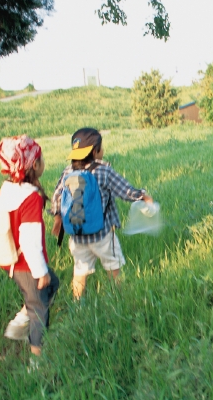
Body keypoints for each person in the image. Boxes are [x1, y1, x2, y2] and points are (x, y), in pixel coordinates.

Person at [51, 127, 153, 299]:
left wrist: (57, 218)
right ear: (95, 151)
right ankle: (118, 298)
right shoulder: (103, 171)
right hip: (103, 234)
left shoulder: (68, 172)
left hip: (77, 235)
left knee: (80, 270)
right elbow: (125, 191)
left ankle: (77, 303)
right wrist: (143, 196)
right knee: (113, 266)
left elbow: (57, 197)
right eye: (101, 147)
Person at [0, 135, 60, 356]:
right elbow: (29, 239)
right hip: (26, 263)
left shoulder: (8, 190)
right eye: (41, 159)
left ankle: (22, 317)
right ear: (34, 164)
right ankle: (37, 360)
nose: (43, 163)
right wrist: (40, 271)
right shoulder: (30, 198)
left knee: (54, 283)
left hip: (13, 260)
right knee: (39, 308)